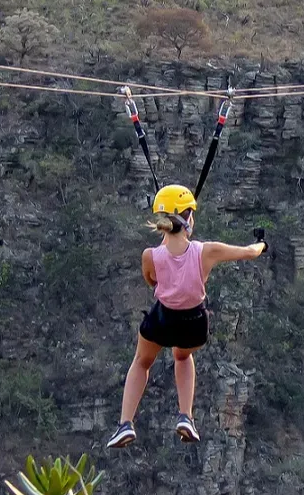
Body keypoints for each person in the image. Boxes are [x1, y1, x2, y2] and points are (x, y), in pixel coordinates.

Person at [105, 184, 266, 448]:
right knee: (183, 356)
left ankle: (125, 423)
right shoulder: (206, 251)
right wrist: (262, 244)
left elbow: (152, 282)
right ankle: (186, 416)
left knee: (142, 361)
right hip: (195, 323)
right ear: (188, 218)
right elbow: (248, 252)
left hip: (163, 319)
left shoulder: (150, 256)